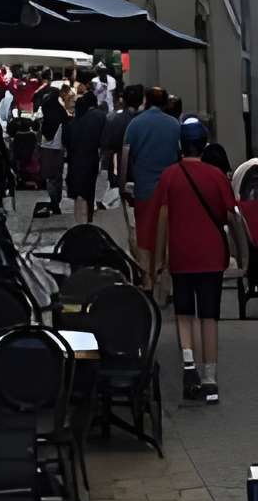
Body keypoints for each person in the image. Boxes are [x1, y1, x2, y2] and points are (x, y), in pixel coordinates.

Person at [150, 114, 250, 404]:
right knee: (209, 316)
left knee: (184, 313)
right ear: (204, 145)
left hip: (181, 254)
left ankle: (188, 362)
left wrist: (159, 259)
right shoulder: (216, 176)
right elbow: (232, 218)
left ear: (181, 145)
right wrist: (243, 256)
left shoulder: (169, 176)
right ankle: (210, 379)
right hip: (211, 256)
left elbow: (162, 220)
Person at [124, 88, 185, 278]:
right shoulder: (174, 125)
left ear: (146, 100)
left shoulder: (135, 124)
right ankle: (164, 279)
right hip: (170, 189)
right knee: (168, 235)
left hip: (144, 187)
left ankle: (147, 279)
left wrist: (123, 186)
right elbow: (180, 156)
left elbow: (126, 156)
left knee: (144, 234)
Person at [63, 87, 108, 225]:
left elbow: (65, 144)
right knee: (88, 193)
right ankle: (88, 221)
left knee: (79, 196)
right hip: (91, 159)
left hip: (75, 161)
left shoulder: (71, 124)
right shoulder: (100, 117)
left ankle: (81, 224)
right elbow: (104, 140)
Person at [101, 81, 143, 211]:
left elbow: (107, 147)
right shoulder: (146, 120)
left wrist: (106, 170)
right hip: (144, 168)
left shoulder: (113, 119)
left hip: (122, 168)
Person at [36, 75, 68, 215]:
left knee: (49, 177)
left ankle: (53, 200)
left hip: (46, 148)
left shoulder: (45, 112)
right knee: (57, 177)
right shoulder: (60, 112)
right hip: (58, 149)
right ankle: (56, 201)